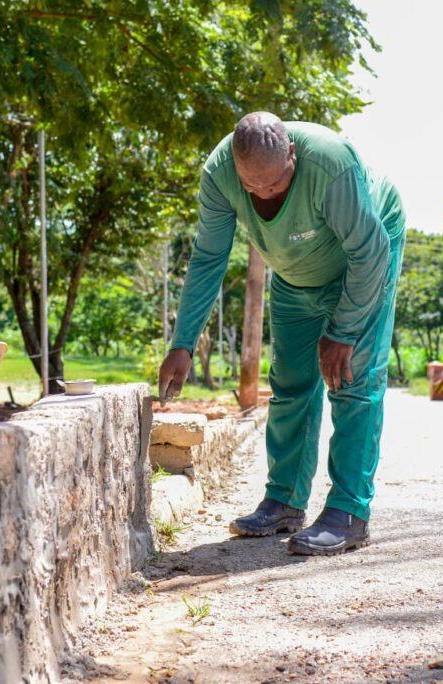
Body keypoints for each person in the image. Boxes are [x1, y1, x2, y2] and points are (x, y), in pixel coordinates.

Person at [158, 112, 405, 555]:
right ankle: (285, 500)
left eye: (276, 184)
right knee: (290, 385)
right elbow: (208, 258)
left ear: (292, 153)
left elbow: (370, 253)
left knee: (352, 381)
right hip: (294, 275)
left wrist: (344, 331)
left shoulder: (332, 164)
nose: (266, 196)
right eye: (253, 188)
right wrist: (183, 342)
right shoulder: (219, 174)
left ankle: (349, 513)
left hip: (364, 260)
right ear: (237, 169)